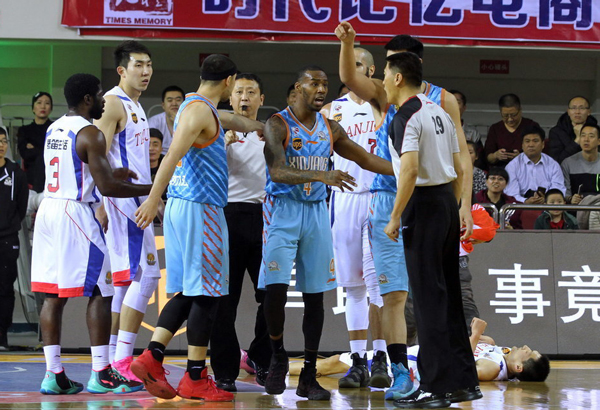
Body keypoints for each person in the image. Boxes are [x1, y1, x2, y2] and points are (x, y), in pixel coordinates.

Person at [335, 21, 475, 401]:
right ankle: (409, 374)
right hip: (398, 199)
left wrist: (466, 204)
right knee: (397, 296)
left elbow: (458, 158)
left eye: (387, 65)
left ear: (405, 68)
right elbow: (348, 76)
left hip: (413, 201)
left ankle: (440, 380)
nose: (381, 74)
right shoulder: (391, 95)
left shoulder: (433, 103)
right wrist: (347, 44)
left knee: (432, 296)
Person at [131, 54, 264, 402]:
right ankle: (182, 371)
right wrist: (151, 198)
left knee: (194, 292)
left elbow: (230, 119)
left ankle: (166, 362)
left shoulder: (198, 105)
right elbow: (171, 156)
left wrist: (259, 128)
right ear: (230, 81)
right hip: (199, 208)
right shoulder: (199, 111)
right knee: (207, 294)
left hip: (186, 207)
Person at [260, 65, 394, 401]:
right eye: (314, 83)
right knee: (274, 292)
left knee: (315, 297)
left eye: (325, 84)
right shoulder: (278, 123)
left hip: (317, 214)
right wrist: (321, 177)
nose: (321, 89)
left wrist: (407, 172)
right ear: (297, 87)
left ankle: (307, 373)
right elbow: (276, 171)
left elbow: (364, 158)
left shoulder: (329, 127)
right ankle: (277, 355)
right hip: (283, 212)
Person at [31, 73, 152, 395]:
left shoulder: (56, 127)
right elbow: (108, 188)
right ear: (87, 99)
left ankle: (53, 374)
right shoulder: (90, 133)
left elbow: (77, 165)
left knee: (53, 295)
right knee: (103, 290)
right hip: (75, 213)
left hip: (48, 209)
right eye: (99, 95)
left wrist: (112, 171)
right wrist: (154, 189)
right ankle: (102, 371)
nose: (103, 100)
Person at [383, 52, 480, 408]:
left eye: (384, 73)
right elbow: (457, 165)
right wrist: (455, 208)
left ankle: (435, 386)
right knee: (449, 297)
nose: (381, 80)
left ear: (397, 78)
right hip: (444, 203)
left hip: (422, 205)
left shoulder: (405, 116)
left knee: (426, 300)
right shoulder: (438, 110)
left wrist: (395, 216)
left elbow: (408, 172)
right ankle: (462, 383)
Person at [93, 40, 161, 381]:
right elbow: (98, 154)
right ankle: (122, 361)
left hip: (135, 199)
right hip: (122, 202)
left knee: (124, 284)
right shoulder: (112, 103)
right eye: (138, 65)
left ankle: (110, 363)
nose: (146, 71)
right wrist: (103, 203)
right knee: (146, 276)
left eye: (149, 64)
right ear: (122, 70)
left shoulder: (137, 105)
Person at [320, 47, 387, 390]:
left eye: (360, 66)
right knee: (354, 287)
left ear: (372, 71)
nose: (354, 72)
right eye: (350, 67)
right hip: (343, 200)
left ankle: (382, 357)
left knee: (378, 285)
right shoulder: (332, 110)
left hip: (378, 198)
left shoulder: (383, 104)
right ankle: (358, 359)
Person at [210, 73, 271, 392]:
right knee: (224, 300)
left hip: (265, 218)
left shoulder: (272, 131)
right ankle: (224, 369)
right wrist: (221, 144)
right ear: (229, 100)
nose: (245, 97)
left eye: (251, 92)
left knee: (271, 297)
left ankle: (261, 357)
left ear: (261, 99)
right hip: (228, 216)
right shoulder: (214, 131)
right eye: (239, 92)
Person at [296, 318, 550, 383]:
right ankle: (279, 369)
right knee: (336, 363)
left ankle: (271, 370)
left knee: (334, 364)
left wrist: (473, 336)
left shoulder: (492, 368)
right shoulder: (495, 348)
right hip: (418, 352)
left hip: (414, 363)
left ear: (518, 367)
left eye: (529, 354)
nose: (526, 348)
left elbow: (459, 369)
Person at [0, 127, 28, 350]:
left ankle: (2, 336)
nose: (1, 145)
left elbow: (21, 205)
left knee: (5, 288)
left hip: (7, 239)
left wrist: (10, 225)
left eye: (3, 140)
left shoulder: (15, 172)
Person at [505, 125, 566, 204]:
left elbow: (559, 190)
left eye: (535, 141)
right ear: (522, 145)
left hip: (547, 206)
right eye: (527, 141)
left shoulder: (553, 165)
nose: (531, 145)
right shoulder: (512, 166)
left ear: (543, 144)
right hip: (521, 208)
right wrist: (525, 201)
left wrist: (547, 199)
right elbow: (510, 195)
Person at [484, 94, 541, 168]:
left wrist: (522, 157)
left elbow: (539, 153)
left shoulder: (531, 126)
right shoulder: (495, 128)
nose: (510, 119)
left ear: (520, 110)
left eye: (513, 115)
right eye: (505, 115)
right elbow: (488, 157)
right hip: (501, 171)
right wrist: (496, 155)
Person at [17, 92, 53, 193]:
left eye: (47, 103)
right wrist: (44, 150)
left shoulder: (55, 129)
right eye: (39, 103)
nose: (43, 106)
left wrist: (35, 149)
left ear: (51, 108)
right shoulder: (24, 130)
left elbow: (55, 153)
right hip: (32, 172)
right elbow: (25, 154)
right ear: (33, 108)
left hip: (52, 169)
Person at [549, 96, 597, 164]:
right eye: (574, 108)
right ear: (568, 111)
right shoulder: (556, 132)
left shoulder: (596, 131)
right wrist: (577, 140)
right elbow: (556, 162)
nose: (577, 112)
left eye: (582, 108)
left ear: (589, 112)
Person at [561, 124, 600, 204]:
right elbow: (564, 193)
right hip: (576, 209)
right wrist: (571, 199)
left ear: (599, 141)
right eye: (583, 136)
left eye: (591, 136)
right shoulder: (568, 163)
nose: (586, 139)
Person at [148, 85, 185, 154]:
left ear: (184, 104)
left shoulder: (191, 121)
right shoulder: (154, 121)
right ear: (163, 105)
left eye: (178, 100)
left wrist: (178, 124)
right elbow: (149, 147)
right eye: (170, 100)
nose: (174, 104)